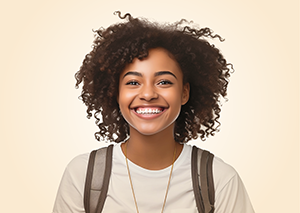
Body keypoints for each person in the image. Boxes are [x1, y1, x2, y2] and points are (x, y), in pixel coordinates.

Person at [53, 12, 255, 213]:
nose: (148, 94)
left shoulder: (219, 180)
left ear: (184, 93)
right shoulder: (83, 175)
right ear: (116, 93)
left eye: (164, 82)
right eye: (133, 82)